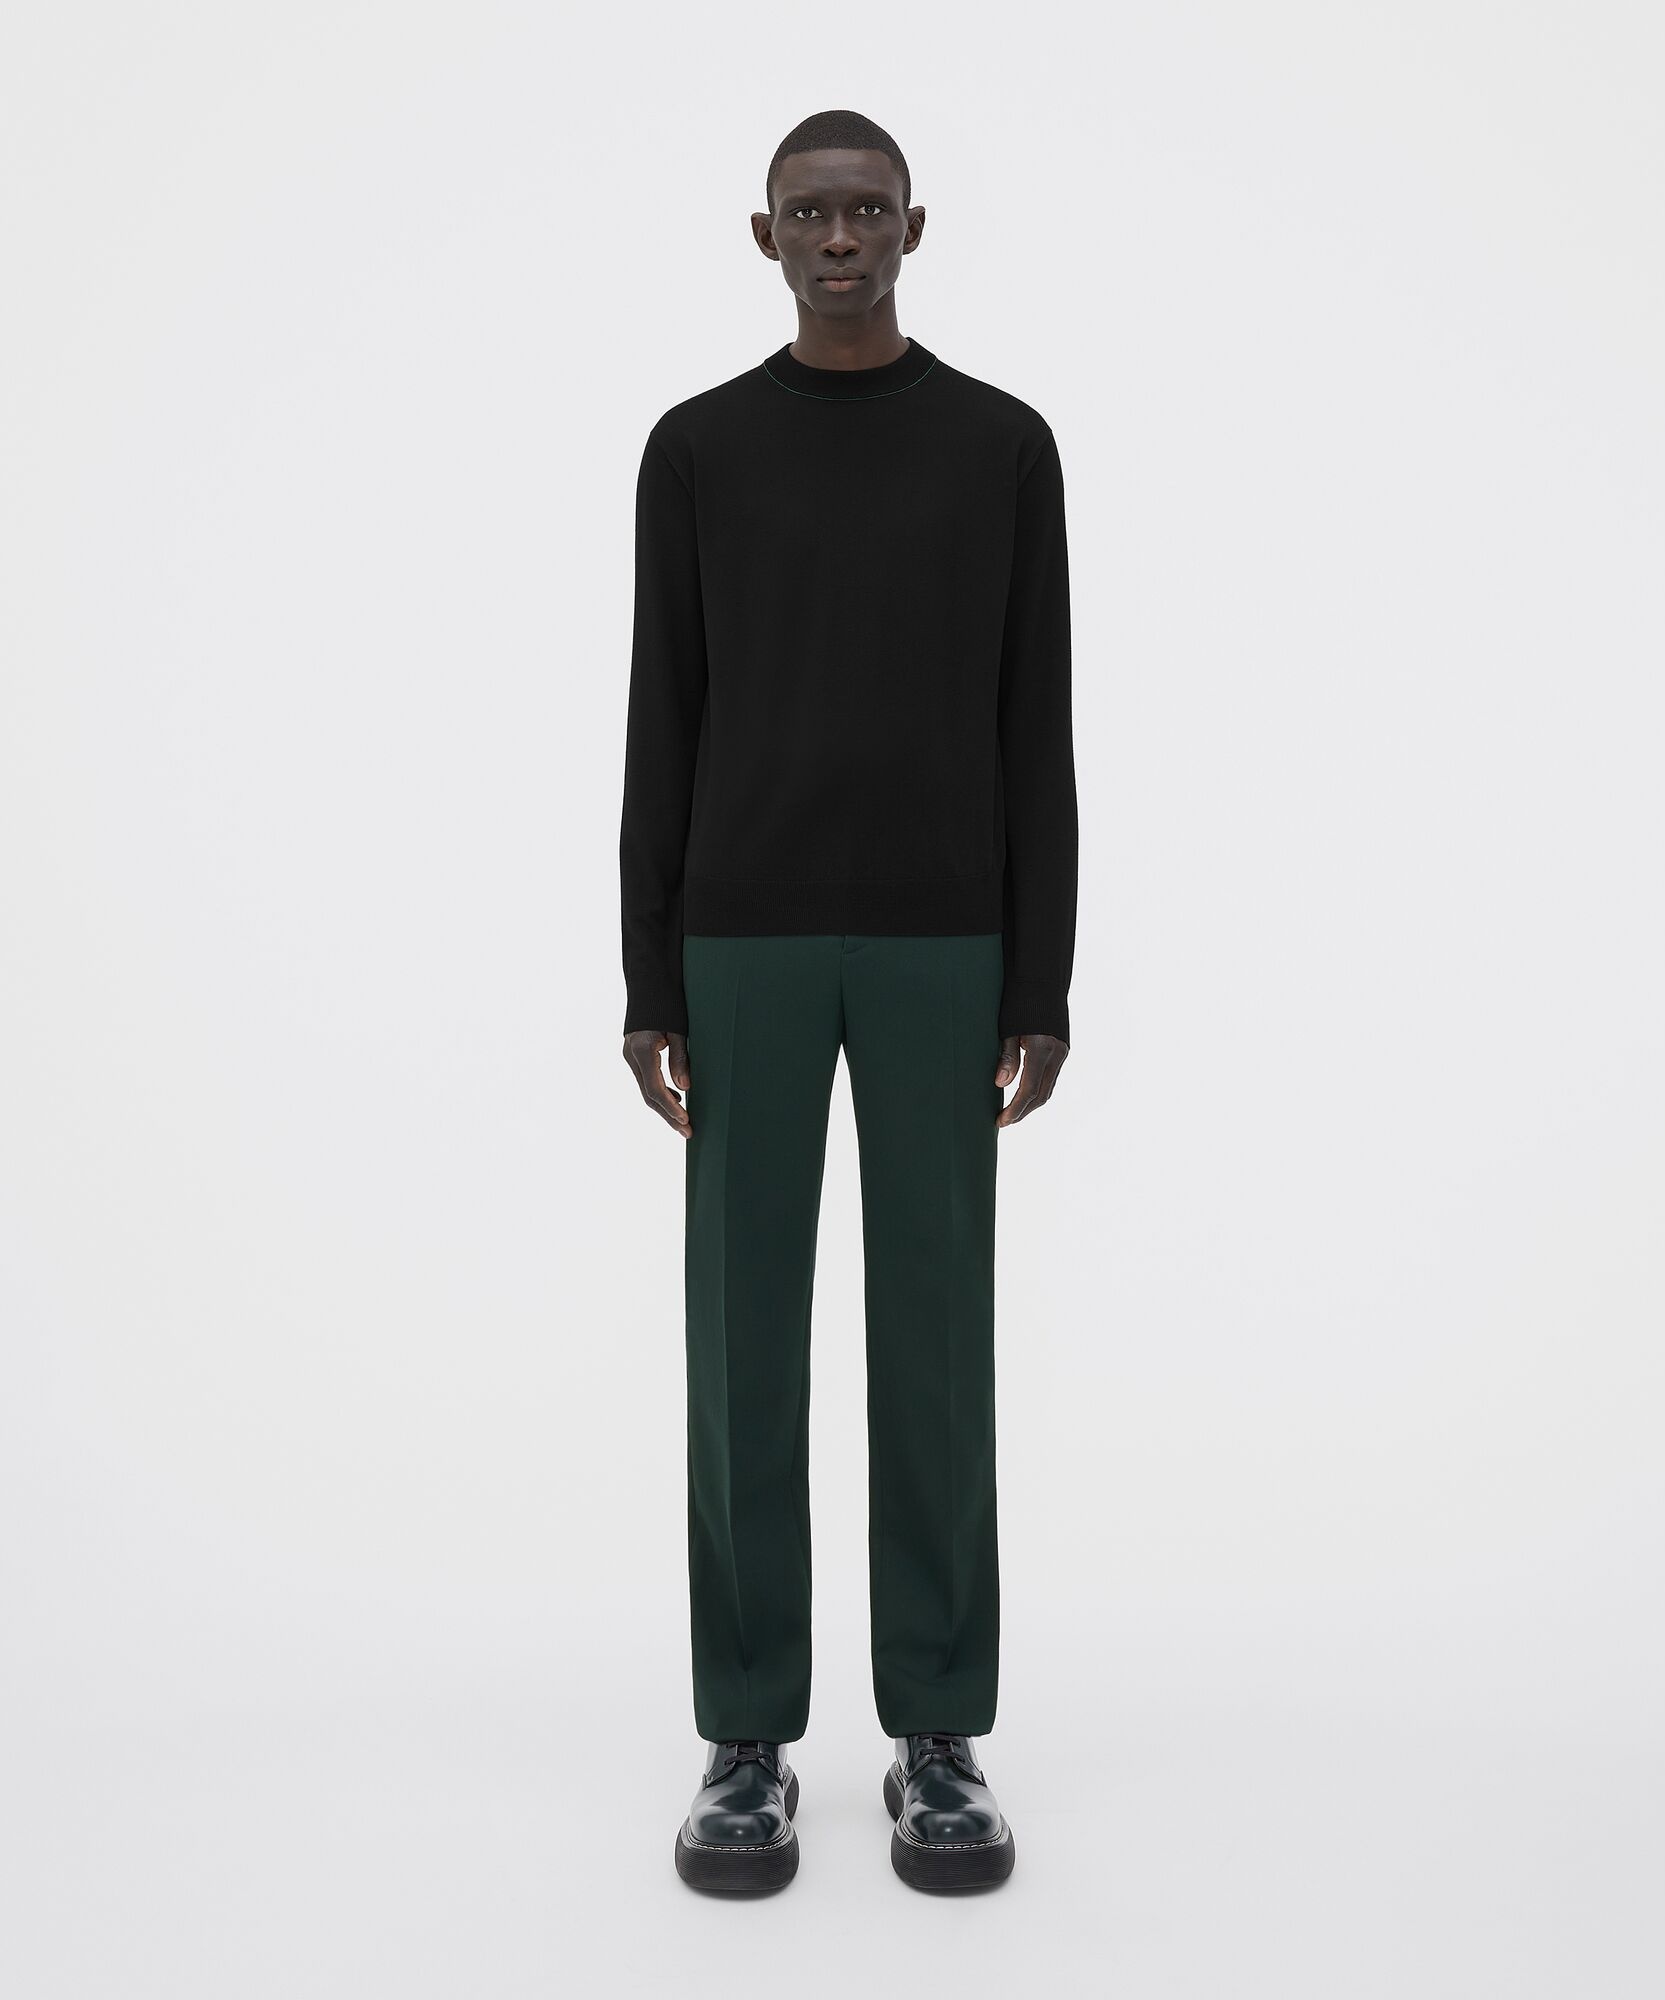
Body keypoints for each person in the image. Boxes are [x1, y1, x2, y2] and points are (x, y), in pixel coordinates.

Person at [618, 106, 1077, 1895]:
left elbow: (1033, 719)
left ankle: (937, 1731)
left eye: (865, 211)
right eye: (807, 214)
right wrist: (647, 970)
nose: (837, 239)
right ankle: (745, 1737)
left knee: (935, 1344)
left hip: (942, 938)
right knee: (741, 1348)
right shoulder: (696, 452)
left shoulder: (1001, 448)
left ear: (912, 228)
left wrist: (1039, 976)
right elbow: (663, 712)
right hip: (739, 939)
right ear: (763, 236)